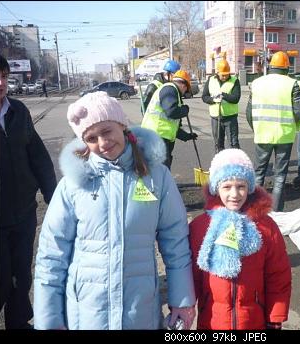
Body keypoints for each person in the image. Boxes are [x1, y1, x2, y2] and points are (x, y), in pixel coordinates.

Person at [33, 91, 196, 330]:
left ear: (122, 126)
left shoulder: (157, 177)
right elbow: (51, 254)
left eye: (107, 131)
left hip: (140, 310)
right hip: (86, 313)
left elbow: (176, 242)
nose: (102, 142)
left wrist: (182, 301)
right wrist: (49, 320)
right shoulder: (73, 184)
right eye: (91, 138)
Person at [189, 148, 292, 330]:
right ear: (216, 188)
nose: (235, 194)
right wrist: (186, 307)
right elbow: (192, 276)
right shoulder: (201, 227)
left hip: (253, 321)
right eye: (227, 187)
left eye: (241, 186)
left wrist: (275, 316)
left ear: (250, 188)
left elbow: (278, 275)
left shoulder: (265, 227)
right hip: (212, 320)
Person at [0, 55, 57, 329]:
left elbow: (38, 156)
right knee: (0, 278)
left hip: (23, 213)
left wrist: (52, 196)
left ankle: (19, 324)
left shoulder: (18, 111)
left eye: (4, 76)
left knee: (22, 276)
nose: (0, 83)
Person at [246, 51, 300, 211]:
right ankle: (276, 213)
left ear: (271, 66)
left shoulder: (257, 83)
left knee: (259, 174)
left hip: (262, 135)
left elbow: (248, 113)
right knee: (280, 177)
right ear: (287, 67)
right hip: (284, 136)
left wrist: (257, 128)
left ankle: (253, 210)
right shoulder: (292, 84)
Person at [141, 69, 197, 169]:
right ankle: (162, 184)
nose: (185, 93)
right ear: (184, 85)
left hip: (158, 136)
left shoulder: (171, 92)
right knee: (160, 170)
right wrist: (185, 110)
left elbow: (171, 124)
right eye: (186, 90)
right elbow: (172, 112)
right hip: (156, 137)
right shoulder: (170, 90)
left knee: (160, 169)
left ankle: (163, 184)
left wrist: (187, 136)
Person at [202, 59, 241, 153]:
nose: (224, 76)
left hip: (230, 118)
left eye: (226, 74)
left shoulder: (234, 81)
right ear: (217, 72)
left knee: (233, 143)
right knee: (218, 144)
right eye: (222, 74)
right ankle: (220, 165)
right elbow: (204, 97)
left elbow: (236, 98)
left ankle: (236, 165)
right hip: (216, 118)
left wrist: (223, 95)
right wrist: (213, 100)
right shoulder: (211, 80)